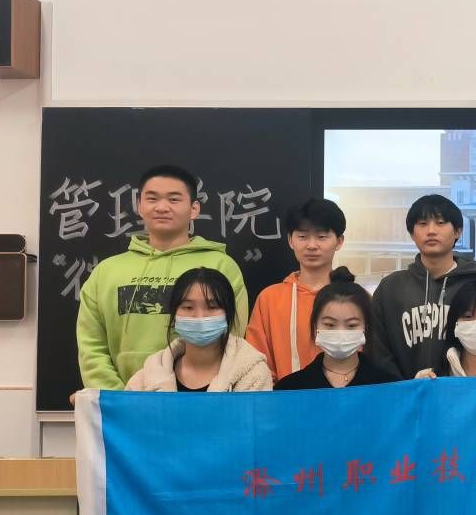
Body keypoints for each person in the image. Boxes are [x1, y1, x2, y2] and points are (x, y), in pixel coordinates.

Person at [77, 164, 248, 390]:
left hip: (200, 398)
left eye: (174, 199)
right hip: (122, 402)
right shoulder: (106, 272)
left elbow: (233, 338)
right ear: (139, 205)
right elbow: (91, 345)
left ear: (194, 208)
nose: (162, 207)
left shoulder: (221, 266)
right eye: (152, 198)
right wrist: (118, 399)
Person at [368, 194, 476, 378]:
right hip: (404, 393)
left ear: (458, 231)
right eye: (422, 224)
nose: (431, 231)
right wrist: (407, 388)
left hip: (465, 392)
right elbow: (378, 351)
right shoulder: (390, 288)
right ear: (412, 234)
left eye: (441, 223)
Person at [246, 197, 348, 381]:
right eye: (302, 236)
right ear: (290, 240)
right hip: (283, 396)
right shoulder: (269, 299)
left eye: (322, 237)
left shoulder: (354, 298)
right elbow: (255, 363)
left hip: (346, 396)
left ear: (339, 241)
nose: (312, 245)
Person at [125, 267, 270, 392]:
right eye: (188, 307)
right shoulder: (148, 377)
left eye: (212, 307)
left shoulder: (254, 376)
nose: (199, 317)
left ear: (228, 313)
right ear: (174, 315)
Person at [275, 270, 396, 389]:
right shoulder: (289, 388)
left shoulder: (388, 387)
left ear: (366, 327)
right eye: (330, 324)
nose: (340, 332)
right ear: (315, 326)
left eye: (351, 325)